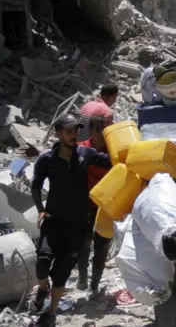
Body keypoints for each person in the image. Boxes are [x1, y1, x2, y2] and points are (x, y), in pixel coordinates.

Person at [29, 114, 112, 326]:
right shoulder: (47, 159)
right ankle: (42, 288)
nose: (74, 135)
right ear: (59, 133)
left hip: (77, 225)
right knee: (42, 263)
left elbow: (112, 162)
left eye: (76, 131)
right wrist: (40, 209)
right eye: (69, 131)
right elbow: (36, 186)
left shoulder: (86, 153)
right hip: (53, 222)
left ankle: (52, 312)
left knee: (62, 272)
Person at [75, 116, 114, 293]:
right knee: (83, 245)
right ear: (90, 131)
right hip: (84, 204)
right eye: (98, 129)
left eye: (104, 130)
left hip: (105, 206)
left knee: (102, 246)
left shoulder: (114, 150)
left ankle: (95, 284)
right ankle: (82, 276)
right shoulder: (82, 148)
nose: (102, 134)